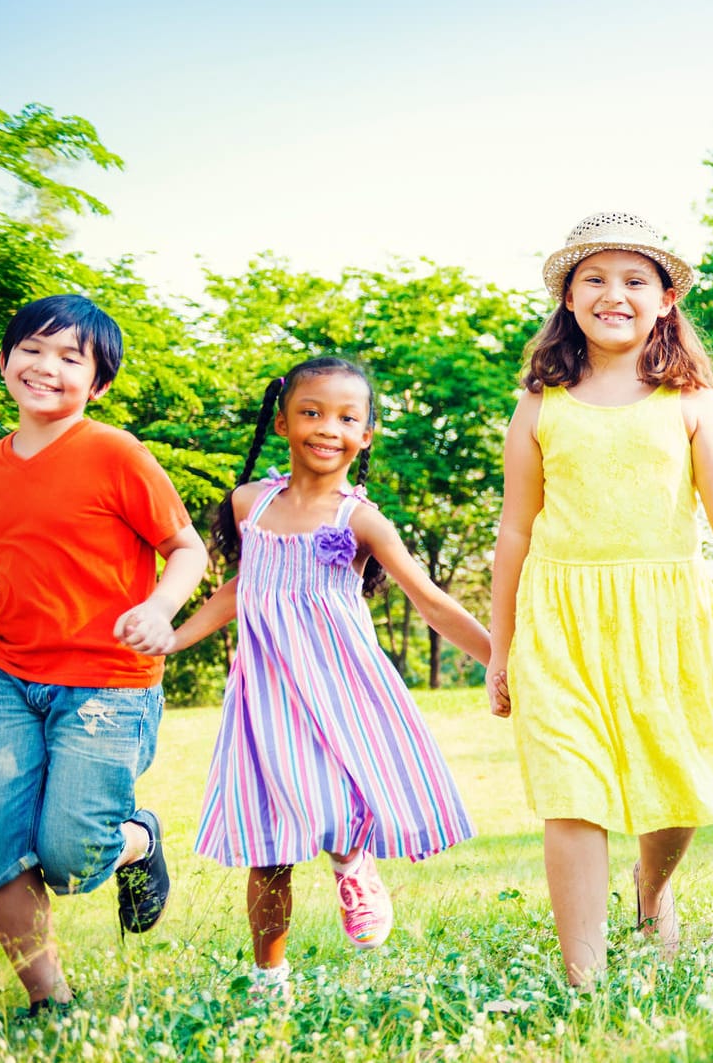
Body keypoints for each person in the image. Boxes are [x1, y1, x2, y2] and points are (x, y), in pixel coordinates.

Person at [488, 212, 713, 984]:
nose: (614, 294)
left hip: (664, 611)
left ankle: (653, 886)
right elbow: (512, 531)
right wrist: (501, 647)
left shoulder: (692, 401)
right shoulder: (540, 405)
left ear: (666, 298)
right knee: (570, 791)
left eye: (635, 279)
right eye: (594, 279)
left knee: (677, 781)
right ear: (568, 300)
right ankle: (586, 981)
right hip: (560, 618)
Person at [165, 355, 489, 996]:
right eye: (311, 412)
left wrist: (499, 657)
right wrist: (173, 638)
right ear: (283, 420)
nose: (326, 428)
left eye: (346, 417)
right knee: (270, 839)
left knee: (340, 806)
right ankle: (269, 976)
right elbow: (241, 586)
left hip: (343, 688)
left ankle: (352, 864)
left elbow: (427, 598)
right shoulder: (248, 503)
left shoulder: (360, 520)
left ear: (366, 434)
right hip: (264, 693)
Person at [0, 295, 208, 1017]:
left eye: (69, 357)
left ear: (99, 384)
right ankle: (51, 1000)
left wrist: (157, 607)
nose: (45, 366)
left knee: (70, 858)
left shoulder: (114, 452)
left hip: (106, 685)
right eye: (32, 348)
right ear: (4, 360)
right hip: (9, 677)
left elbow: (188, 549)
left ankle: (138, 839)